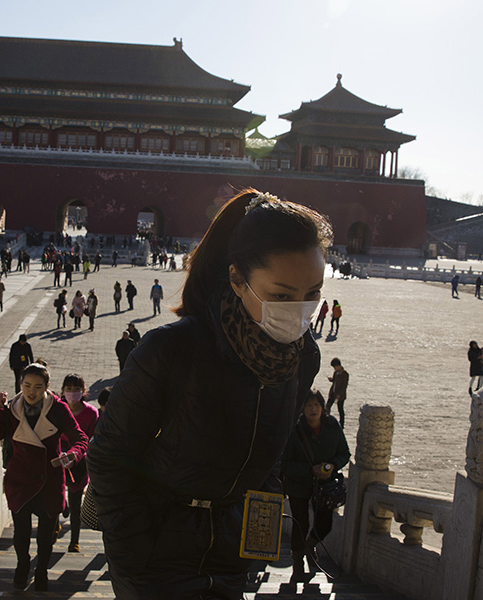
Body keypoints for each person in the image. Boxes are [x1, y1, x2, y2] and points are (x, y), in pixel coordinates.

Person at [88, 189, 327, 598]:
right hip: (155, 555)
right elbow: (108, 455)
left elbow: (272, 453)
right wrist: (133, 547)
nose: (299, 311)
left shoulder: (302, 358)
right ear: (237, 280)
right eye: (282, 296)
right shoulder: (171, 349)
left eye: (313, 294)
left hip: (231, 553)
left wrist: (257, 532)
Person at [0, 362, 88, 591]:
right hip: (20, 479)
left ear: (47, 387)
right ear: (21, 384)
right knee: (21, 532)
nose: (31, 391)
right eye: (27, 385)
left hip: (49, 480)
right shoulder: (12, 409)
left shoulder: (57, 409)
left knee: (46, 536)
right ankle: (22, 565)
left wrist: (73, 454)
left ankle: (41, 571)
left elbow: (80, 439)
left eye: (38, 387)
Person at [282, 390, 350, 581]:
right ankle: (297, 564)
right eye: (309, 405)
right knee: (300, 523)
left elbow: (344, 453)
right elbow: (285, 463)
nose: (313, 409)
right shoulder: (295, 430)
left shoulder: (332, 426)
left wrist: (332, 465)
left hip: (325, 486)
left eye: (317, 405)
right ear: (302, 409)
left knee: (324, 524)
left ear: (322, 407)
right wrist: (310, 470)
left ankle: (310, 545)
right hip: (299, 484)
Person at [59, 374, 99, 553]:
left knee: (76, 504)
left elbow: (91, 439)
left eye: (76, 389)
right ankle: (57, 522)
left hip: (79, 462)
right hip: (58, 460)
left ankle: (74, 541)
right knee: (55, 497)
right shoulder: (57, 410)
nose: (72, 393)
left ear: (83, 391)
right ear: (63, 390)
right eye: (69, 389)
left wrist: (76, 455)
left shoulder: (91, 413)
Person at [326, 357, 350, 428]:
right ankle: (326, 420)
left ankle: (341, 424)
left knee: (340, 409)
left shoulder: (345, 374)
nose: (334, 369)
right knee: (327, 406)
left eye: (335, 367)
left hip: (340, 395)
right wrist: (331, 379)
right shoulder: (336, 372)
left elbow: (344, 386)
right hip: (333, 393)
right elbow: (335, 381)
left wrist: (339, 394)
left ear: (338, 366)